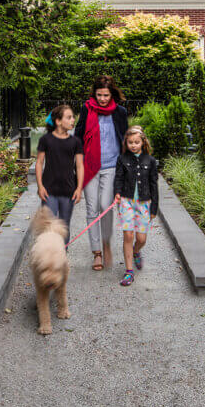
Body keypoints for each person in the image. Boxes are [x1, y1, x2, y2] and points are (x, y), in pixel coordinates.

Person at [74, 75, 129, 271]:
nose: (102, 99)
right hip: (90, 166)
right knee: (91, 208)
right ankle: (96, 252)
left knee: (106, 206)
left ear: (111, 93)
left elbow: (125, 138)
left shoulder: (120, 112)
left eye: (106, 95)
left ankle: (106, 243)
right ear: (94, 94)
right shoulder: (87, 109)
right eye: (99, 95)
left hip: (111, 166)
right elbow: (78, 135)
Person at [114, 126, 160, 287]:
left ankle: (136, 251)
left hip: (144, 204)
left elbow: (154, 185)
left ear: (143, 142)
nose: (133, 145)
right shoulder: (122, 159)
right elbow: (118, 178)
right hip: (126, 201)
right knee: (128, 236)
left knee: (141, 238)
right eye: (130, 142)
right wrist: (117, 194)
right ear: (126, 143)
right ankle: (129, 271)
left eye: (136, 142)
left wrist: (154, 208)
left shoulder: (151, 161)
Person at [35, 104, 84, 244]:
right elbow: (39, 163)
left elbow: (80, 166)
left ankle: (62, 256)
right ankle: (47, 256)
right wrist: (40, 186)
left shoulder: (75, 142)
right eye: (69, 117)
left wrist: (79, 188)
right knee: (48, 226)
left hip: (68, 191)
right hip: (48, 190)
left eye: (73, 117)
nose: (73, 120)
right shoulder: (46, 140)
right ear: (58, 121)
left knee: (64, 227)